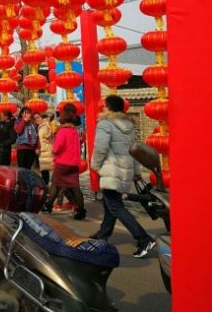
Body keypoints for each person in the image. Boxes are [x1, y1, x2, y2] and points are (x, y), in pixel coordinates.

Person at [90, 95, 156, 258]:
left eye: (105, 105)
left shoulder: (105, 124)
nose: (103, 108)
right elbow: (133, 149)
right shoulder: (128, 125)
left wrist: (95, 165)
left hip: (111, 170)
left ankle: (144, 239)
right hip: (124, 169)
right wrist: (136, 171)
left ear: (109, 107)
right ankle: (103, 234)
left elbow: (100, 148)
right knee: (110, 204)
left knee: (116, 206)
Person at [41, 106, 86, 220]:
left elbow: (57, 148)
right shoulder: (74, 131)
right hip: (74, 163)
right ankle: (81, 210)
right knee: (76, 187)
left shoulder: (62, 131)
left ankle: (48, 205)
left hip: (62, 163)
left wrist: (54, 150)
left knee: (55, 185)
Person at [36, 113, 54, 185]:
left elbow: (48, 135)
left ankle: (47, 187)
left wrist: (46, 124)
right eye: (35, 118)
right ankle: (46, 186)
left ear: (43, 118)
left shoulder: (45, 126)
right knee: (44, 170)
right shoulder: (40, 126)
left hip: (46, 150)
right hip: (43, 150)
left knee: (46, 170)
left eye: (38, 117)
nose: (37, 119)